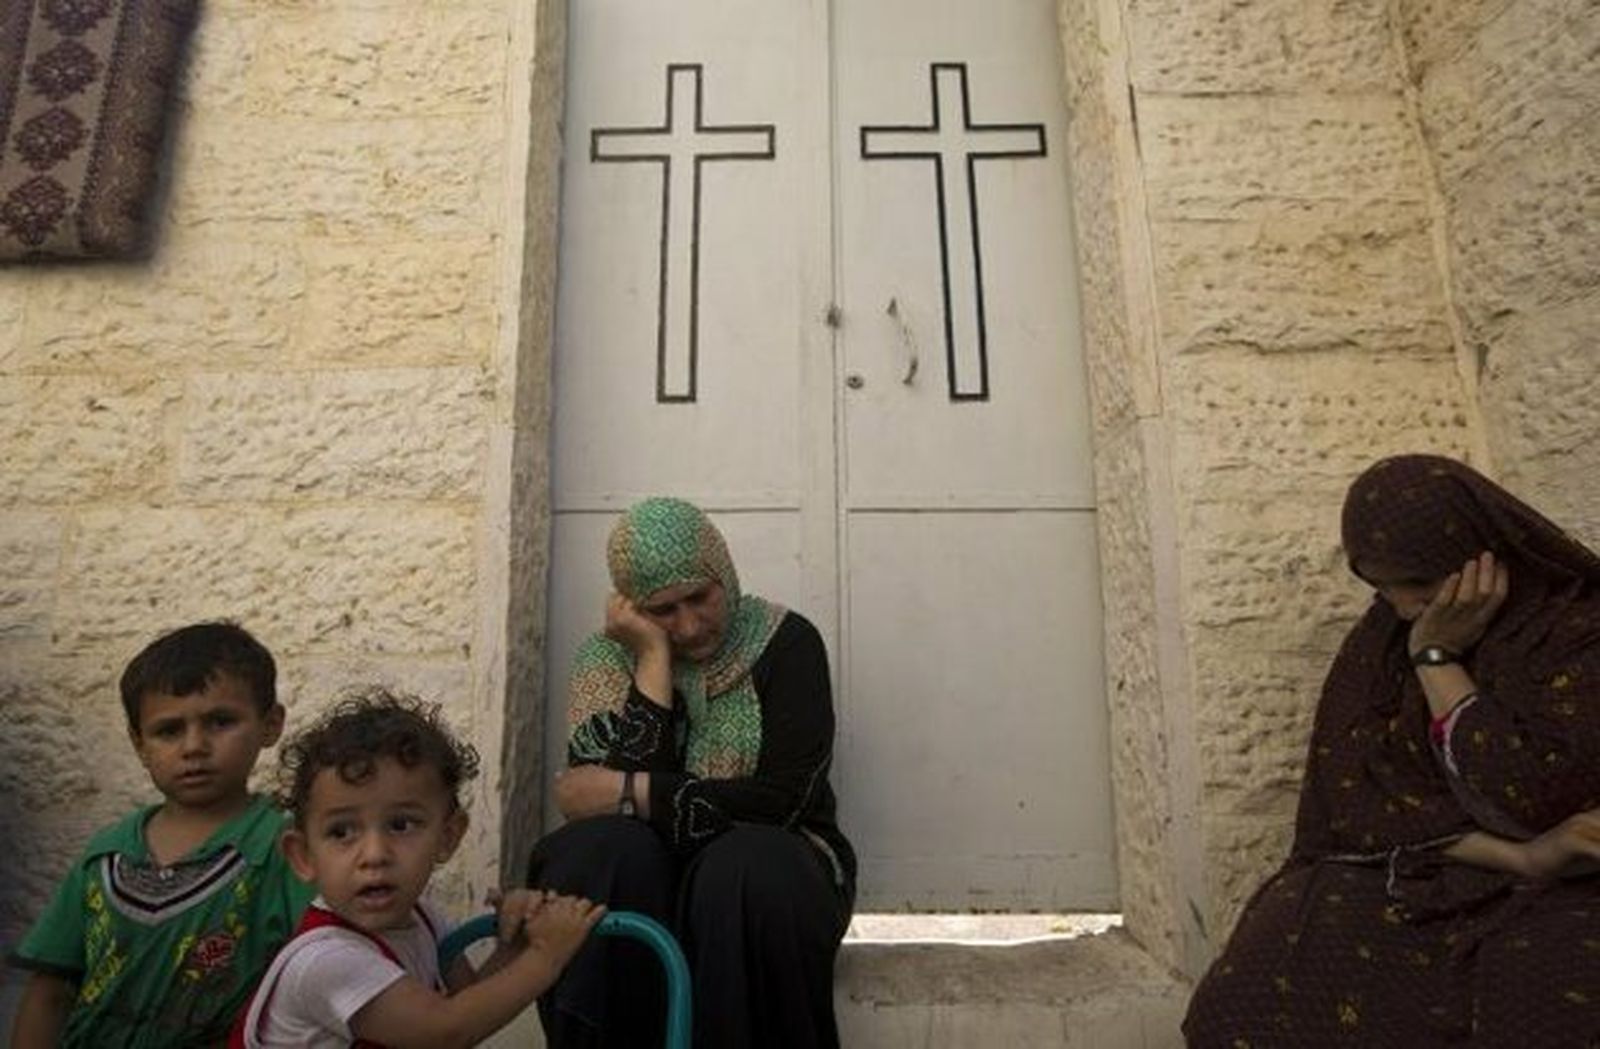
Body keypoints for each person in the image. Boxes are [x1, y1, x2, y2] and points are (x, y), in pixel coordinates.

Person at [1184, 454, 1600, 1047]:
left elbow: (1527, 793)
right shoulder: (1381, 644)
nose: (1403, 607)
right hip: (1429, 867)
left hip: (1572, 885)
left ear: (1484, 555)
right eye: (1381, 586)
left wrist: (1441, 665)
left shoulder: (1576, 633)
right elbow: (1356, 807)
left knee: (1547, 1001)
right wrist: (1430, 653)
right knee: (1256, 990)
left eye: (1420, 585)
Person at [527, 496, 856, 1048]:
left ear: (723, 572)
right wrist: (652, 660)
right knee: (601, 852)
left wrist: (633, 791)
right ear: (633, 610)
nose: (688, 625)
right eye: (663, 611)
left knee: (743, 863)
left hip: (772, 868)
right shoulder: (607, 661)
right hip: (653, 873)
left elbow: (782, 801)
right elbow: (605, 821)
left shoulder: (787, 643)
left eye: (699, 598)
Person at [235, 690, 605, 1048]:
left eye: (401, 825)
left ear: (447, 836)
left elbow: (469, 1002)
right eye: (342, 832)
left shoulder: (424, 919)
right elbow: (446, 1031)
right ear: (304, 856)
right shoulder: (327, 961)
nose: (375, 854)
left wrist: (517, 944)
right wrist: (546, 957)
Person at [6, 621, 315, 1048]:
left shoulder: (288, 849)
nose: (194, 747)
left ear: (270, 724)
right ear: (139, 743)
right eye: (169, 730)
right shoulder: (106, 855)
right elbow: (50, 993)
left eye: (220, 722)